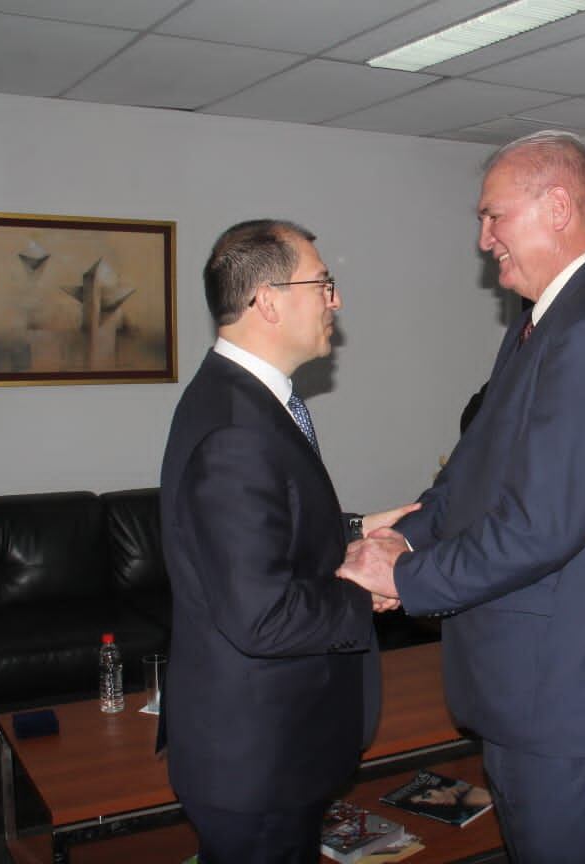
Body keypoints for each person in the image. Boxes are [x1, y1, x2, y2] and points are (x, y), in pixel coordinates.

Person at [338, 131, 585, 863]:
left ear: (557, 207)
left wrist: (403, 579)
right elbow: (477, 467)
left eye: (495, 216)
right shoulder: (547, 319)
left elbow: (542, 526)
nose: (484, 239)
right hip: (534, 682)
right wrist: (411, 536)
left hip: (564, 688)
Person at [159, 219, 413, 863]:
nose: (336, 300)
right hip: (256, 758)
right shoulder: (237, 430)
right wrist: (363, 588)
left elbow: (267, 530)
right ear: (267, 301)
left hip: (267, 748)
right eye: (323, 283)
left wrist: (352, 531)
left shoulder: (247, 400)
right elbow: (262, 616)